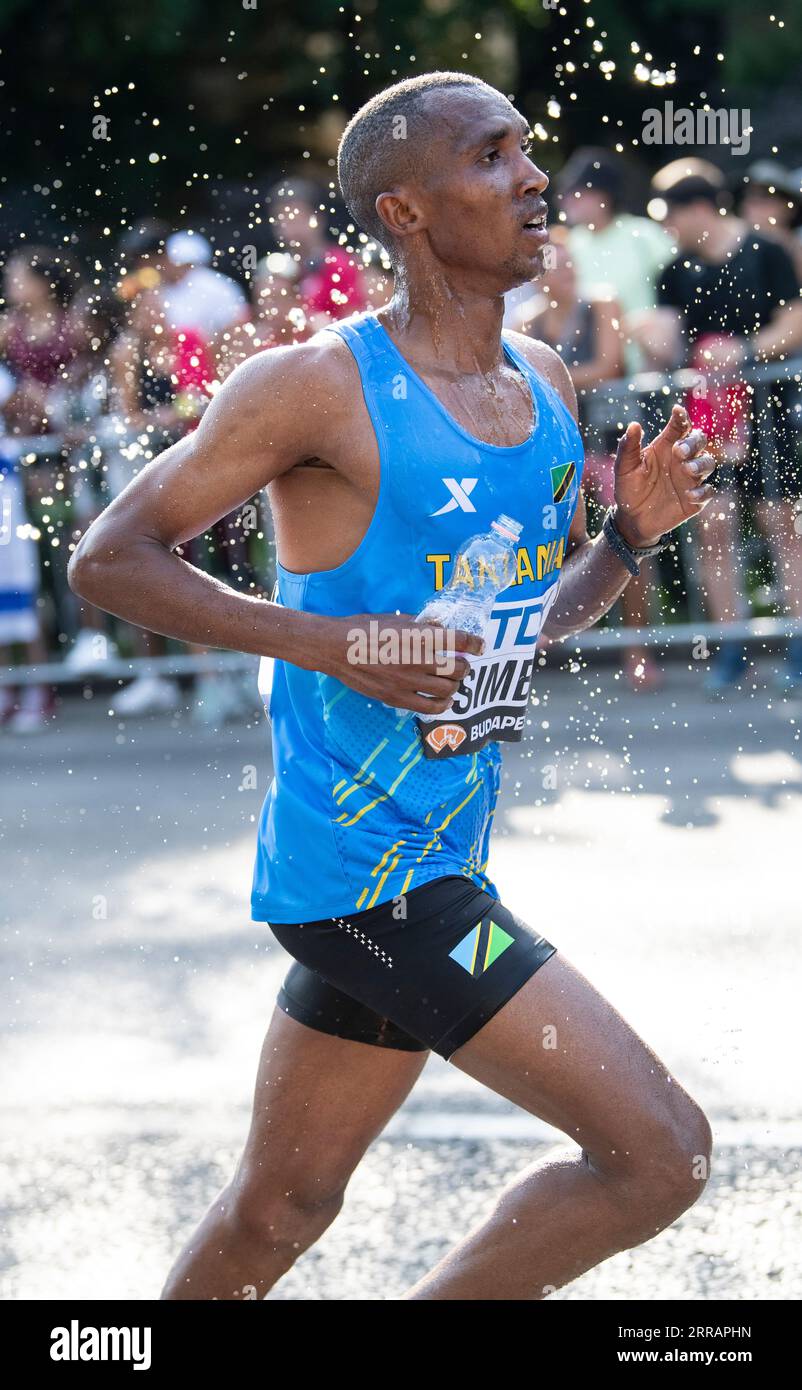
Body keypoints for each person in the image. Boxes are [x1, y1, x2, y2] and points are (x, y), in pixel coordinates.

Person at [69, 71, 716, 1302]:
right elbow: (110, 558)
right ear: (407, 211)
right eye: (492, 157)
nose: (533, 179)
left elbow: (505, 642)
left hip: (432, 865)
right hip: (372, 878)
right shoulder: (315, 383)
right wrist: (331, 643)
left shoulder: (544, 384)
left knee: (280, 1208)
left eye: (528, 151)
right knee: (659, 1155)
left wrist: (622, 550)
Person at [650, 160, 802, 692]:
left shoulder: (768, 253)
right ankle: (729, 646)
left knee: (784, 522)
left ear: (696, 209)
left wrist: (745, 353)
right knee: (714, 528)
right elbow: (668, 342)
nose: (666, 228)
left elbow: (795, 320)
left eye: (670, 215)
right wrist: (652, 339)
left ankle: (798, 641)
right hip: (708, 418)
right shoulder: (675, 270)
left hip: (771, 410)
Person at [514, 228, 656, 691]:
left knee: (626, 539)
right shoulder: (528, 320)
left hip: (610, 444)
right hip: (561, 448)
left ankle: (638, 647)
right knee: (548, 538)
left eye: (572, 261)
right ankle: (540, 638)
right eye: (560, 262)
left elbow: (610, 366)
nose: (569, 269)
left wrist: (553, 378)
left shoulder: (602, 304)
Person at [557, 148, 674, 375]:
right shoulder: (569, 247)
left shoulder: (644, 236)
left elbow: (680, 295)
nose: (567, 200)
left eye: (578, 192)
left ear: (604, 195)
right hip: (596, 376)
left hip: (651, 371)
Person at [267, 176, 367, 328]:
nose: (289, 231)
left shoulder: (339, 265)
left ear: (317, 219)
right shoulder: (277, 270)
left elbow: (353, 323)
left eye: (296, 220)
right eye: (282, 222)